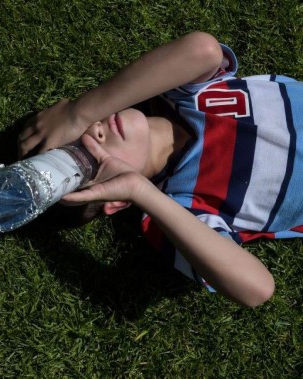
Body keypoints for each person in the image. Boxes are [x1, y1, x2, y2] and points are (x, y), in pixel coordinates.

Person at [17, 31, 303, 308]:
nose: (94, 132)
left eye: (79, 131)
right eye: (85, 154)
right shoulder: (181, 206)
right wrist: (139, 191)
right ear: (116, 200)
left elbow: (204, 49)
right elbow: (257, 289)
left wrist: (78, 112)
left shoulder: (183, 95)